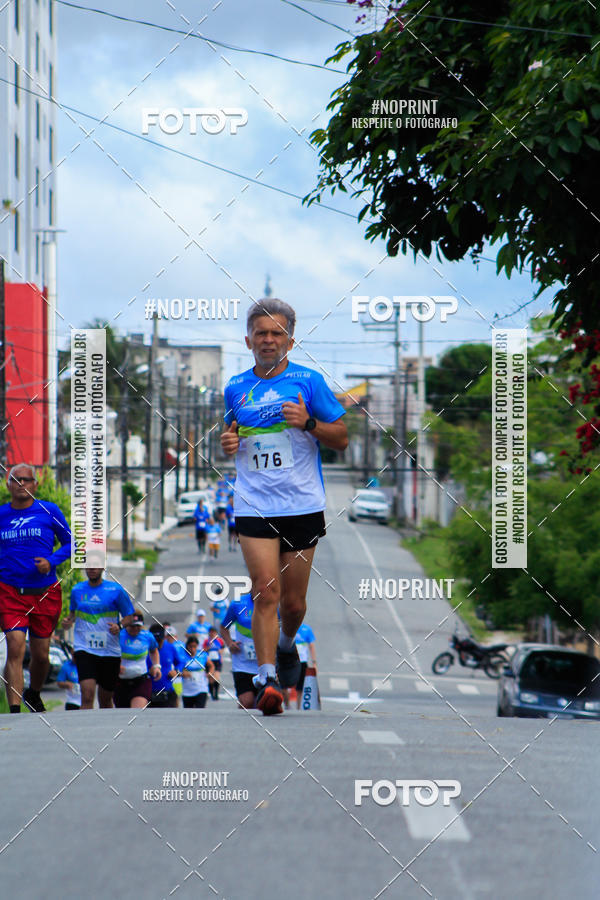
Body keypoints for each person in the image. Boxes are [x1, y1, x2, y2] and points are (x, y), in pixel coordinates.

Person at [220, 299, 347, 715]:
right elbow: (232, 435)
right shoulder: (236, 387)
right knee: (265, 592)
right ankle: (267, 678)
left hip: (301, 503)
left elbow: (342, 437)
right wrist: (227, 444)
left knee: (293, 604)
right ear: (248, 340)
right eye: (261, 333)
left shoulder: (308, 382)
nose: (269, 340)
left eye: (276, 333)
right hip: (254, 501)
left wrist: (308, 423)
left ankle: (288, 645)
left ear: (290, 340)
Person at [0, 463, 72, 713]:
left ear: (35, 484)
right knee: (15, 645)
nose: (21, 484)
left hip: (45, 593)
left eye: (26, 480)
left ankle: (34, 692)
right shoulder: (1, 514)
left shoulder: (49, 510)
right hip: (10, 592)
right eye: (16, 480)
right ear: (8, 485)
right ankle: (15, 711)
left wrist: (51, 561)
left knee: (41, 656)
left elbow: (71, 543)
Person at [61, 568, 135, 710]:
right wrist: (67, 621)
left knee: (105, 700)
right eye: (89, 566)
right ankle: (83, 731)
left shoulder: (115, 589)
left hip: (109, 651)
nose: (92, 569)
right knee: (87, 696)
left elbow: (129, 616)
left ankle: (104, 730)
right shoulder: (77, 589)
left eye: (95, 565)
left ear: (102, 568)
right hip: (84, 648)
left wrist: (119, 626)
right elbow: (72, 614)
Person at [219, 591, 258, 710]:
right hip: (242, 664)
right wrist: (230, 643)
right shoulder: (238, 603)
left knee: (263, 702)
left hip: (264, 664)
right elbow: (224, 627)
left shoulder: (272, 603)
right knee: (247, 702)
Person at [114, 612, 161, 709]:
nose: (135, 629)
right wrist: (115, 665)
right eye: (132, 626)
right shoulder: (118, 636)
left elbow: (154, 650)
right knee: (122, 715)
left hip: (141, 681)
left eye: (138, 626)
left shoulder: (148, 636)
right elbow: (108, 653)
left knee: (136, 711)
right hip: (121, 681)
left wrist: (156, 666)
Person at [148, 623, 179, 708]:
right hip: (149, 693)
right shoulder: (145, 650)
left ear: (164, 637)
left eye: (159, 640)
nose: (157, 644)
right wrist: (148, 671)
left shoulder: (170, 647)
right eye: (155, 641)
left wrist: (176, 671)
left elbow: (180, 662)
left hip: (167, 691)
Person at [179, 635, 214, 708]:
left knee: (200, 712)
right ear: (187, 646)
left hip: (201, 689)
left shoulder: (202, 655)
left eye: (194, 646)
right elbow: (176, 671)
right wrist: (182, 674)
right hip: (187, 691)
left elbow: (211, 666)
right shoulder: (182, 656)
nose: (192, 649)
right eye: (190, 646)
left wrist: (210, 673)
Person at [293, 622, 317, 709]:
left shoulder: (306, 629)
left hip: (302, 662)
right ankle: (287, 705)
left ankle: (298, 708)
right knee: (284, 686)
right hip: (290, 661)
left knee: (300, 687)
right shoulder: (288, 627)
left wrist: (314, 663)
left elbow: (311, 646)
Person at [203, 626, 225, 700]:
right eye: (211, 632)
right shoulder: (206, 641)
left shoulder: (219, 641)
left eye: (214, 632)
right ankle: (211, 693)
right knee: (210, 679)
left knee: (216, 677)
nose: (212, 634)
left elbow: (222, 648)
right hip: (209, 662)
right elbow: (203, 650)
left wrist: (220, 652)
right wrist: (208, 648)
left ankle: (216, 694)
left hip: (217, 661)